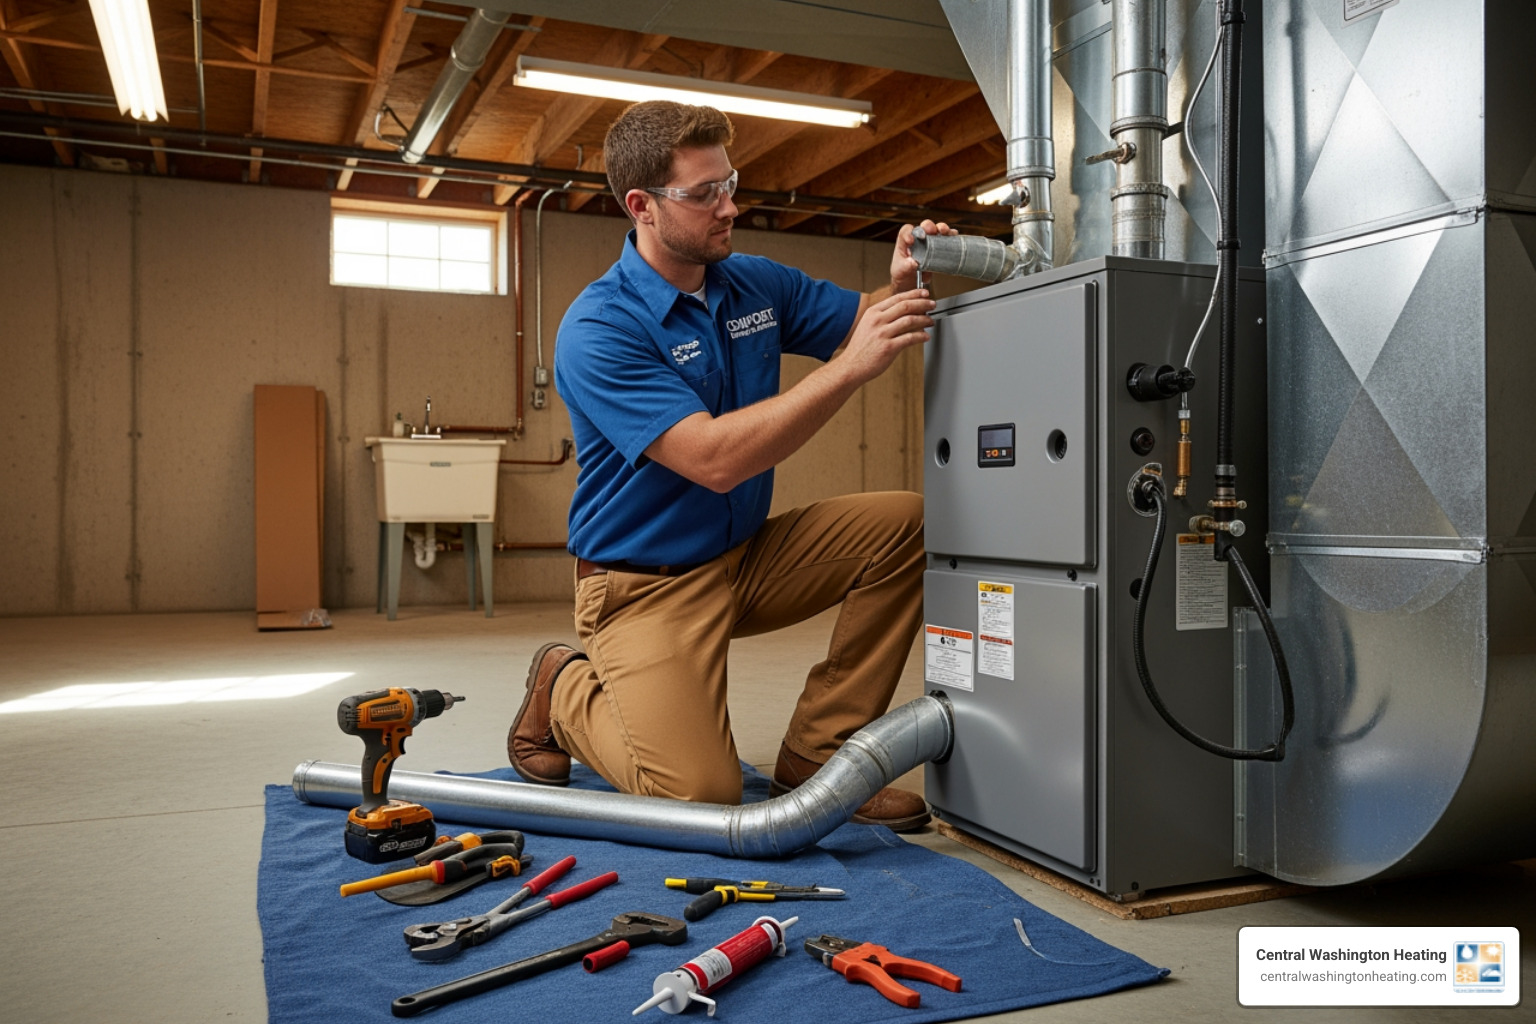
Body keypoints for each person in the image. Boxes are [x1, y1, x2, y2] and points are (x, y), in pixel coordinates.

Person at [508, 100, 950, 831]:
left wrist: (901, 281)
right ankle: (563, 690)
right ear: (642, 207)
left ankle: (819, 757)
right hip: (642, 587)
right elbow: (711, 460)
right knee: (700, 800)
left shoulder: (751, 283)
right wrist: (848, 373)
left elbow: (860, 316)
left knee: (910, 522)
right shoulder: (600, 327)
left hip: (743, 558)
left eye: (730, 183)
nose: (730, 206)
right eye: (704, 193)